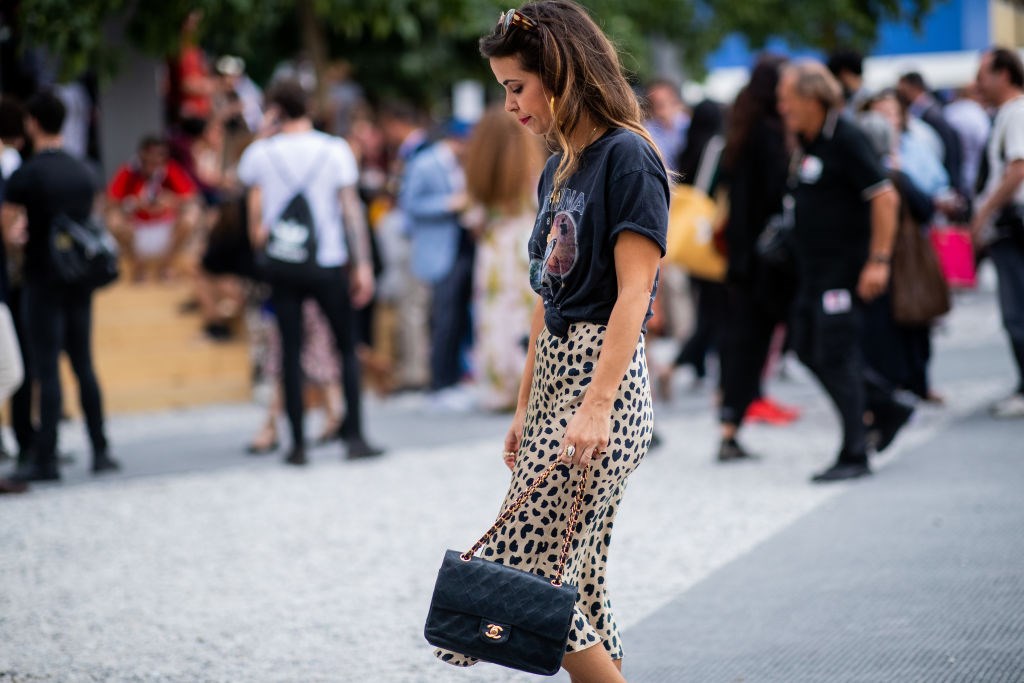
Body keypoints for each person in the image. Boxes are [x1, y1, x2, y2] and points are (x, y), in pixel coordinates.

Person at [434, 3, 669, 680]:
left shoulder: (628, 158)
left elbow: (635, 294)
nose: (509, 105)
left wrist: (595, 405)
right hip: (557, 385)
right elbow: (548, 298)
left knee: (533, 579)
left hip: (605, 387)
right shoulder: (560, 167)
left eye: (516, 86)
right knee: (578, 578)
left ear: (560, 76)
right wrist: (523, 405)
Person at [777, 61, 913, 482]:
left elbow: (885, 198)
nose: (782, 107)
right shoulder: (807, 140)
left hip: (843, 272)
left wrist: (878, 261)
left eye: (788, 98)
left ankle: (855, 451)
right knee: (804, 348)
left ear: (813, 97)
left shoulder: (846, 137)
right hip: (812, 271)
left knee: (837, 353)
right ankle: (887, 406)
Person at [237, 79, 383, 464]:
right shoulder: (334, 150)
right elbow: (351, 212)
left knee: (289, 349)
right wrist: (363, 266)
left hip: (283, 264)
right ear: (309, 107)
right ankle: (355, 437)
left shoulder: (259, 154)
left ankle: (297, 445)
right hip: (328, 261)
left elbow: (254, 222)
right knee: (345, 347)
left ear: (275, 110)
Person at [1, 91, 120, 483]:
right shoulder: (83, 169)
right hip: (79, 280)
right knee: (84, 364)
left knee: (46, 368)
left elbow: (9, 225)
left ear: (33, 123)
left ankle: (46, 456)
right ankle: (100, 448)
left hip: (41, 276)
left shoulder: (28, 174)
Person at [715, 54, 800, 462]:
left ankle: (730, 424)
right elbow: (775, 194)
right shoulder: (768, 133)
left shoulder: (741, 128)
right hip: (767, 259)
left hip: (742, 254)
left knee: (744, 341)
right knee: (789, 339)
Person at [462, 104, 547, 411]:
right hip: (525, 243)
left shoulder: (480, 172)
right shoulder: (531, 166)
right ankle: (533, 383)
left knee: (494, 316)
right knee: (528, 314)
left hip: (495, 248)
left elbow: (473, 218)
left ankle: (501, 387)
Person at [398, 120, 476, 409]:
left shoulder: (460, 165)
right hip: (438, 250)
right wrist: (448, 204)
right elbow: (410, 206)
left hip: (462, 247)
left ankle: (454, 377)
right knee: (442, 317)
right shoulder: (425, 163)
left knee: (457, 315)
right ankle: (439, 380)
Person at [971, 47, 1024, 418]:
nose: (978, 84)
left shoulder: (1016, 111)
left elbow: (1018, 167)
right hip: (1010, 224)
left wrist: (984, 212)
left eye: (984, 75)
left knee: (1017, 310)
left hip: (1013, 225)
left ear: (1003, 74)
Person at [105, 135, 201, 281]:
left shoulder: (170, 169)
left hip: (165, 230)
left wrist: (170, 200)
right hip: (137, 231)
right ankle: (138, 268)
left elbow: (191, 197)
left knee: (192, 215)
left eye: (158, 157)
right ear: (141, 156)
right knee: (113, 219)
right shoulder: (129, 171)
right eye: (149, 158)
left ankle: (167, 266)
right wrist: (132, 203)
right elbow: (110, 201)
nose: (153, 162)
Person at [644, 79, 689, 172]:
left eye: (662, 104)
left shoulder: (686, 125)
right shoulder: (647, 130)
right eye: (653, 104)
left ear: (674, 100)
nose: (658, 110)